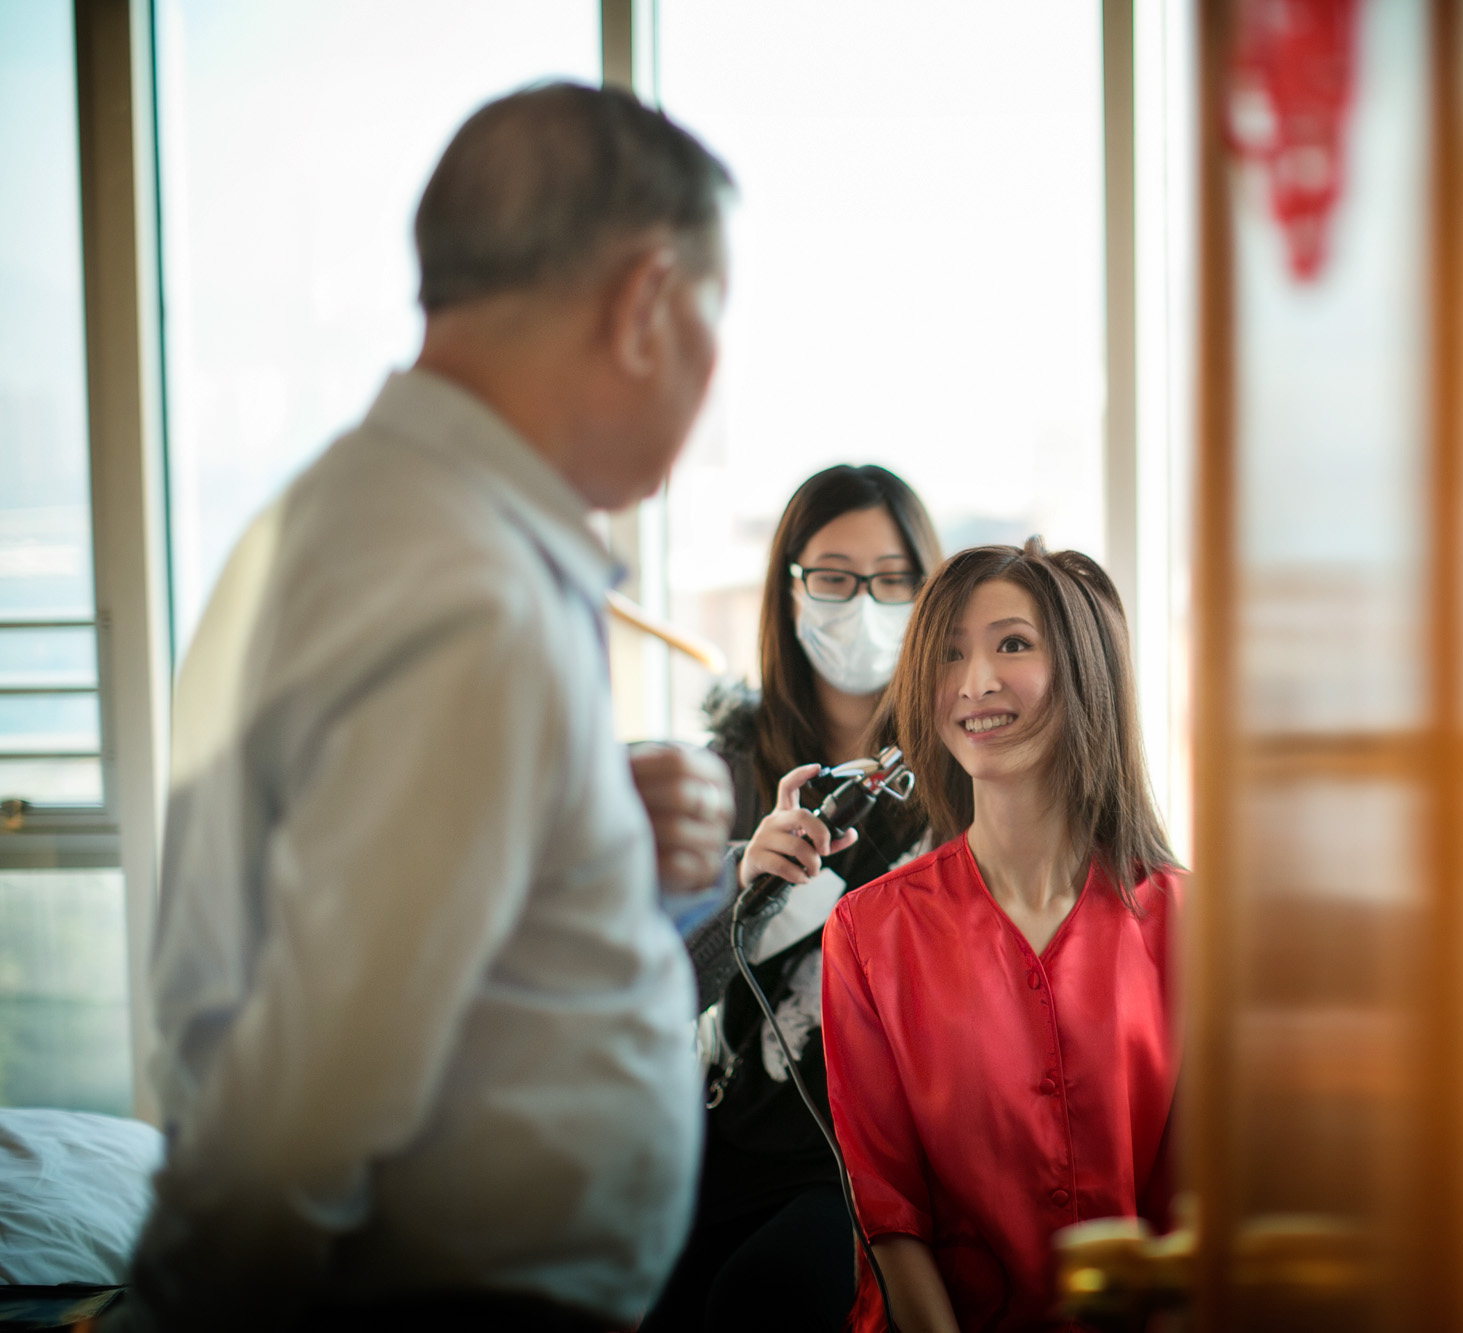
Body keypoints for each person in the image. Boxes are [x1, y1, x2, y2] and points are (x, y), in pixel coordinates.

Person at [113, 84, 737, 1333]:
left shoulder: (354, 517)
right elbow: (306, 1102)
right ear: (645, 303)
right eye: (716, 316)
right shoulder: (468, 594)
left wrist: (580, 821)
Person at [821, 539, 1180, 1333]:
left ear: (1084, 668)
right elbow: (888, 1210)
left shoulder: (1192, 924)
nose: (976, 682)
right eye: (950, 654)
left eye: (1013, 644)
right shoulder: (867, 932)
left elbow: (1202, 1197)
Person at [645, 464, 943, 1332]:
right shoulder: (723, 776)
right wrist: (741, 884)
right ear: (790, 591)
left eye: (893, 579)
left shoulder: (956, 776)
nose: (864, 605)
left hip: (863, 1160)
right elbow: (657, 994)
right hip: (724, 1132)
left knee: (765, 1295)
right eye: (834, 578)